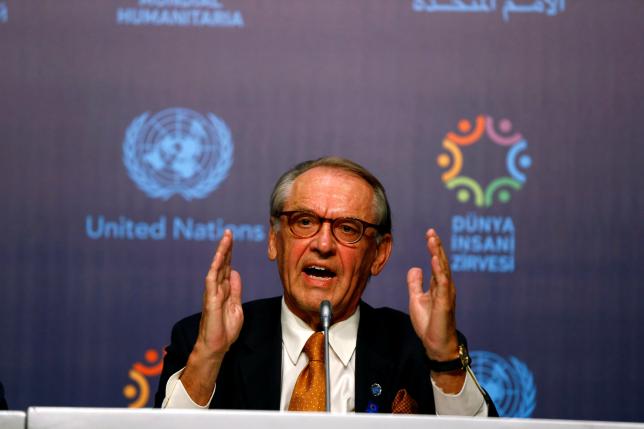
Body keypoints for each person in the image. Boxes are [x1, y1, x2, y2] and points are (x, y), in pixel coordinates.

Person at [155, 157, 496, 415]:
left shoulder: (417, 348)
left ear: (379, 253)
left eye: (347, 228)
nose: (323, 243)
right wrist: (208, 357)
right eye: (304, 222)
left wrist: (443, 359)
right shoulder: (202, 341)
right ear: (274, 240)